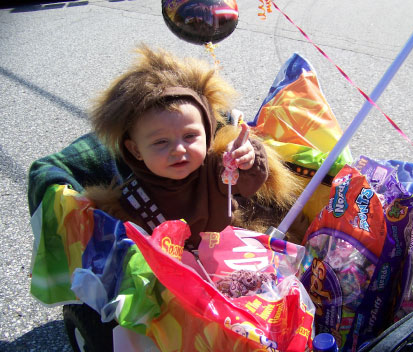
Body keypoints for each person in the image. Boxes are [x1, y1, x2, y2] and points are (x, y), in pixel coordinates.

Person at [85, 45, 304, 249]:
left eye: (190, 136)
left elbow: (251, 181)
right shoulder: (130, 201)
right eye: (161, 142)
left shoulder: (215, 168)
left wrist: (247, 157)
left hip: (227, 254)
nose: (179, 149)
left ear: (208, 135)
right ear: (135, 150)